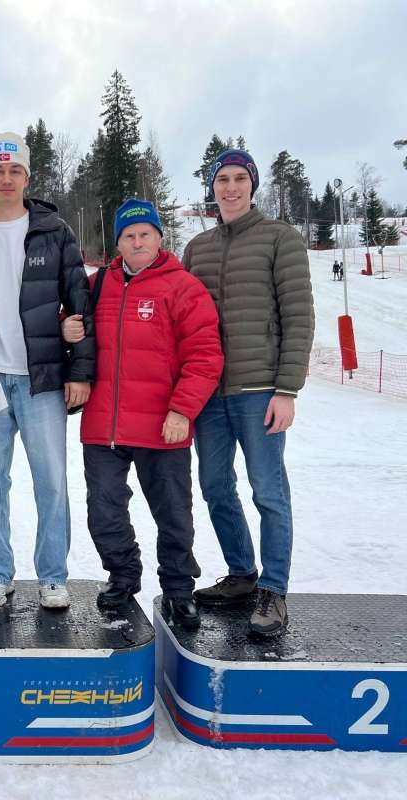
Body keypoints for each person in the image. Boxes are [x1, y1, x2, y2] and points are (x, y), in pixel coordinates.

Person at [62, 200, 223, 627]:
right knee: (105, 511)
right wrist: (66, 328)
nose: (137, 241)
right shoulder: (96, 285)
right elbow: (69, 323)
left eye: (145, 234)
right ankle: (122, 575)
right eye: (129, 236)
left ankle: (178, 588)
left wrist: (182, 410)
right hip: (104, 426)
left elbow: (205, 356)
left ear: (159, 237)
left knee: (172, 513)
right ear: (118, 242)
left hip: (162, 427)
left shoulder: (183, 287)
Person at [0, 132, 95, 609]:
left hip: (43, 379)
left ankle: (53, 575)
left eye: (15, 170)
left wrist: (80, 372)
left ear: (27, 177)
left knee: (51, 480)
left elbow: (80, 302)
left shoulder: (54, 230)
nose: (7, 178)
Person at [182, 149, 315, 637]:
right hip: (210, 394)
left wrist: (287, 389)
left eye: (240, 179)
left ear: (252, 185)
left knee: (268, 491)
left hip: (260, 390)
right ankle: (242, 574)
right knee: (216, 487)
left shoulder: (281, 238)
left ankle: (274, 590)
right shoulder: (197, 248)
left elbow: (298, 316)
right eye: (222, 180)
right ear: (212, 187)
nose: (230, 188)